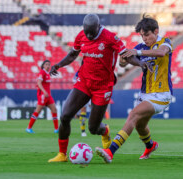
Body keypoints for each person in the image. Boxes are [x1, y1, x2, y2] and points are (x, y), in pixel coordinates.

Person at [48, 14, 129, 162]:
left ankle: (105, 130)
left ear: (98, 27)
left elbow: (126, 54)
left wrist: (141, 63)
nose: (89, 35)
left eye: (92, 32)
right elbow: (73, 54)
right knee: (65, 116)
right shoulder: (81, 36)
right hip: (84, 81)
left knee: (93, 128)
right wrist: (58, 65)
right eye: (87, 32)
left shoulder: (110, 37)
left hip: (103, 86)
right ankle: (62, 154)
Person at [95, 15, 173, 163]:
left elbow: (161, 53)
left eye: (147, 35)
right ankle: (150, 145)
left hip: (161, 94)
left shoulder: (165, 42)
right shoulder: (141, 47)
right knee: (140, 125)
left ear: (156, 31)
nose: (144, 39)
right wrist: (124, 57)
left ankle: (110, 151)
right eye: (142, 35)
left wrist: (136, 52)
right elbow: (123, 64)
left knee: (133, 115)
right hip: (145, 94)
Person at [26, 60, 59, 133]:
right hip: (43, 96)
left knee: (54, 110)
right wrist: (44, 92)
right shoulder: (42, 72)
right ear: (43, 65)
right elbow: (39, 83)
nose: (48, 66)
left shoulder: (48, 73)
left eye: (49, 65)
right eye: (46, 64)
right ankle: (29, 128)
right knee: (38, 111)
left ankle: (56, 129)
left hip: (48, 96)